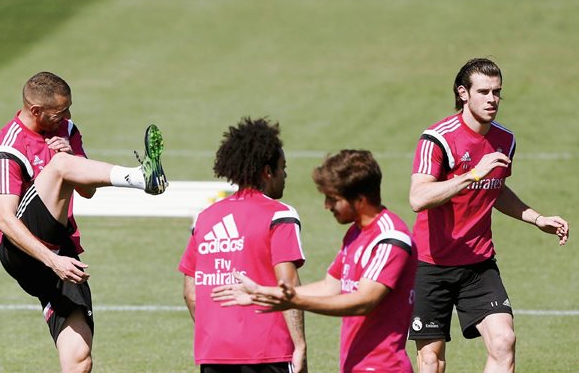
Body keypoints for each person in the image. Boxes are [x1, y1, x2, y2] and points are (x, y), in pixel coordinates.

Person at [0, 71, 168, 373]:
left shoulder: (66, 129)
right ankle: (141, 177)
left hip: (60, 247)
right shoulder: (7, 148)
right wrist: (52, 261)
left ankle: (141, 177)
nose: (67, 115)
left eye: (69, 108)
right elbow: (5, 220)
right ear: (35, 111)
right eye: (60, 112)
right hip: (20, 250)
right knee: (58, 166)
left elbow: (88, 191)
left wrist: (72, 156)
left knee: (80, 358)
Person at [407, 57, 570, 373]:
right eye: (483, 91)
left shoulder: (505, 140)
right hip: (431, 263)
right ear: (463, 93)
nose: (492, 99)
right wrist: (470, 175)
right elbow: (418, 197)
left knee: (503, 342)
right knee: (431, 361)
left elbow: (496, 190)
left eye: (497, 92)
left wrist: (536, 218)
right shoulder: (437, 138)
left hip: (478, 264)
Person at [213, 150, 418, 373]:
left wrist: (293, 302)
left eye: (333, 199)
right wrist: (262, 293)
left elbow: (364, 302)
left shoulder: (390, 238)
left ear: (360, 200)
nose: (326, 205)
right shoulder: (355, 233)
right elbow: (330, 286)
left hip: (384, 368)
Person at [178, 117, 307, 373]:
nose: (285, 175)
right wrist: (300, 344)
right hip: (269, 351)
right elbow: (288, 284)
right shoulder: (279, 215)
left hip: (213, 352)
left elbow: (190, 293)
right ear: (268, 172)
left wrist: (216, 331)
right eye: (283, 167)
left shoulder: (206, 218)